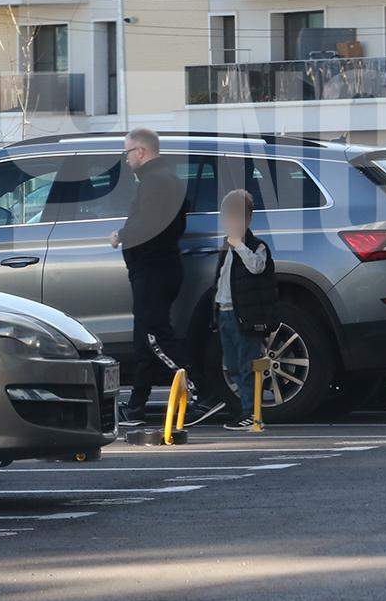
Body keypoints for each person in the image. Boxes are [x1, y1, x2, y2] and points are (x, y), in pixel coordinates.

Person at [112, 129, 226, 428]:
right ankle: (136, 406)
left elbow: (149, 224)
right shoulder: (164, 179)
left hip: (153, 269)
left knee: (156, 337)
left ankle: (205, 393)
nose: (126, 160)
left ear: (141, 152)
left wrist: (120, 236)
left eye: (127, 153)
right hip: (155, 268)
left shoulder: (156, 182)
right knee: (144, 339)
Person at [212, 189, 278, 431]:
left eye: (236, 219)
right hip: (226, 312)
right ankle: (244, 408)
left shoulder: (255, 246)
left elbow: (257, 267)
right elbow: (221, 278)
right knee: (232, 365)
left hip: (246, 316)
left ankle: (252, 412)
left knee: (247, 364)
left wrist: (239, 245)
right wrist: (216, 306)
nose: (231, 224)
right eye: (228, 219)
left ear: (247, 220)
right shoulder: (226, 246)